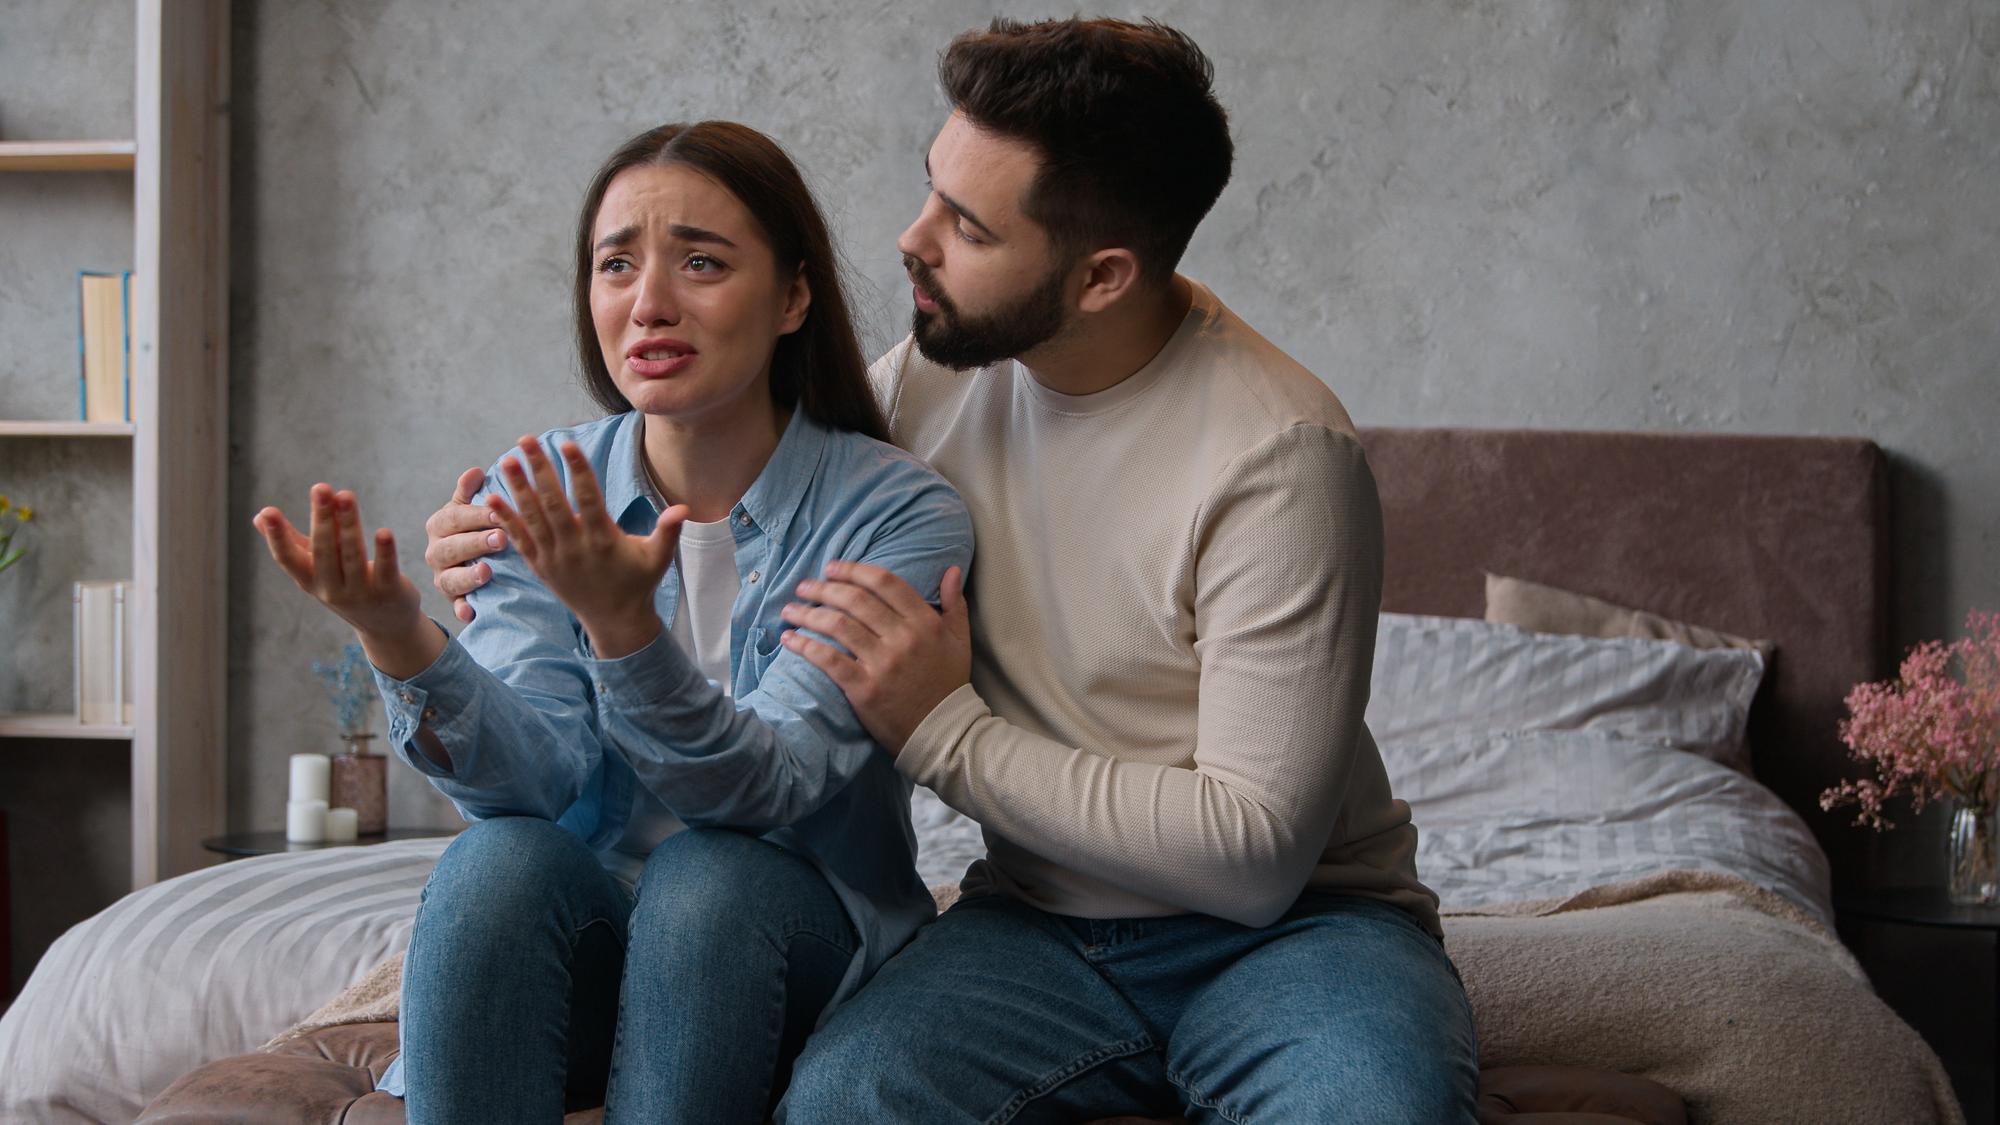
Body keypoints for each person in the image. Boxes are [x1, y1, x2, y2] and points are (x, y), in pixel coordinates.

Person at [431, 18, 1475, 1123]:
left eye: (965, 226)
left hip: (1299, 931)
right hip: (1031, 927)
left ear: (1100, 276)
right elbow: (744, 447)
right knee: (837, 1106)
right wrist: (489, 541)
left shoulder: (1276, 455)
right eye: (930, 190)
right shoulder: (929, 381)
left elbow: (1254, 857)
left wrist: (944, 733)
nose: (909, 239)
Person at [253, 120, 972, 1125]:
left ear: (793, 297)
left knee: (709, 876)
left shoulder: (894, 513)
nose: (648, 302)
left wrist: (621, 626)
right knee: (496, 860)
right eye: (615, 264)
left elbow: (766, 787)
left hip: (780, 947)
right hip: (587, 949)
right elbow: (527, 785)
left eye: (700, 262)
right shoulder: (541, 485)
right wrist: (395, 632)